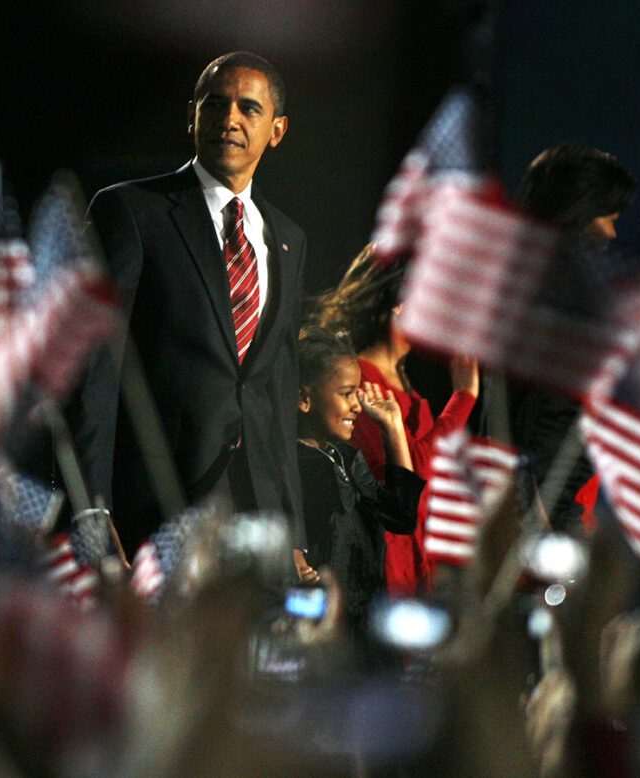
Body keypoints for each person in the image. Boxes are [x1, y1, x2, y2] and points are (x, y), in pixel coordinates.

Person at [76, 52, 306, 556]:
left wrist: (291, 527)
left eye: (249, 109)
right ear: (191, 114)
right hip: (154, 500)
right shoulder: (132, 212)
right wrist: (92, 503)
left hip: (252, 512)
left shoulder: (287, 239)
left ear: (277, 129)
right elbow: (96, 364)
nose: (230, 120)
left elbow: (276, 387)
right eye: (215, 104)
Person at [482, 142, 637, 534]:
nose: (613, 233)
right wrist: (558, 528)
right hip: (539, 515)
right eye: (609, 217)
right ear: (579, 211)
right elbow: (549, 420)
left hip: (519, 503)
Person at [314, 244, 478, 595]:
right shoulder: (361, 380)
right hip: (390, 562)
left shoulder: (404, 381)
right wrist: (463, 399)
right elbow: (405, 476)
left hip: (422, 560)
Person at [294, 327, 423, 632]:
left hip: (366, 620)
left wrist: (393, 429)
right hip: (323, 625)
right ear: (304, 399)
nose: (357, 405)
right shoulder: (290, 465)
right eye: (346, 393)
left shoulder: (348, 457)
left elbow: (402, 517)